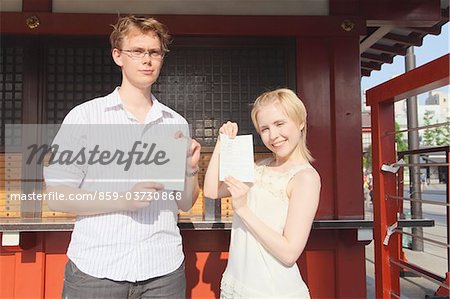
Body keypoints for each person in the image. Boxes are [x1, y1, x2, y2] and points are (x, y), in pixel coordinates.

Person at [44, 15, 200, 298]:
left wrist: (191, 170)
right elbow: (56, 196)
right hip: (97, 269)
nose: (147, 60)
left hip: (163, 269)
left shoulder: (175, 122)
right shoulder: (85, 116)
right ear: (118, 55)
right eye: (137, 51)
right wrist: (124, 199)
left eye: (154, 52)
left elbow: (186, 202)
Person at [204, 88, 321, 298]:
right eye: (264, 128)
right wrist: (221, 143)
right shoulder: (260, 167)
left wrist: (243, 209)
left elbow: (289, 253)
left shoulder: (306, 178)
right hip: (237, 284)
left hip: (272, 290)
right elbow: (212, 190)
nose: (273, 135)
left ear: (300, 121)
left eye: (279, 124)